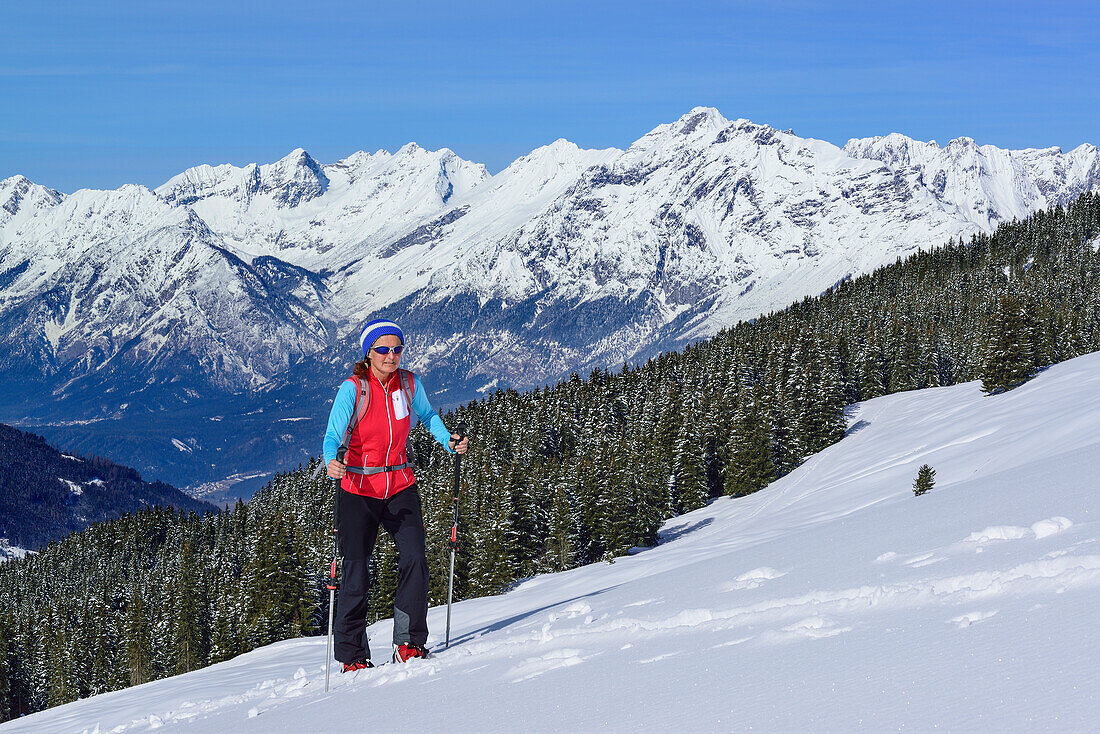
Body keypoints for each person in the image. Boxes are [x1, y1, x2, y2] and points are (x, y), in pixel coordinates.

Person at [323, 318, 468, 671]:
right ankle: (353, 656)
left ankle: (408, 642)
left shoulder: (409, 383)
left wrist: (448, 441)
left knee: (415, 559)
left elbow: (429, 416)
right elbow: (332, 435)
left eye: (397, 349)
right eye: (383, 350)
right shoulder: (354, 389)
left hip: (400, 485)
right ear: (368, 353)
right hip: (358, 488)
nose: (391, 356)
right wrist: (331, 461)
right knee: (356, 571)